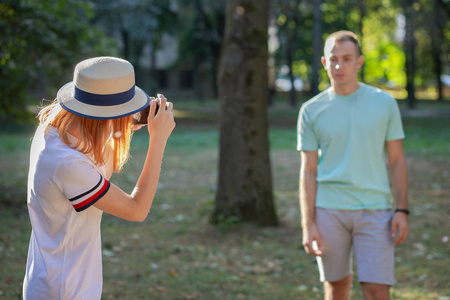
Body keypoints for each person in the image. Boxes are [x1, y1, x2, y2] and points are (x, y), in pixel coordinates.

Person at [23, 56, 176, 299]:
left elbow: (103, 159)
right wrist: (158, 140)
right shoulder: (67, 163)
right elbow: (137, 210)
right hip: (66, 289)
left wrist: (130, 119)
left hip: (54, 278)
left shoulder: (56, 125)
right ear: (106, 116)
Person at [297, 31, 409, 300]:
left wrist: (402, 209)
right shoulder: (311, 110)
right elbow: (308, 171)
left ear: (359, 61)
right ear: (324, 62)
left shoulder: (385, 104)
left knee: (377, 290)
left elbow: (397, 160)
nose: (339, 66)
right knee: (337, 287)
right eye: (333, 59)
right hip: (329, 211)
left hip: (375, 210)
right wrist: (308, 224)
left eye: (346, 59)